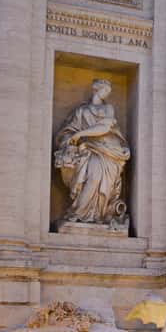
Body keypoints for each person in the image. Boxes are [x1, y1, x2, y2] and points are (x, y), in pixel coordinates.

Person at [53, 79, 130, 225]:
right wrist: (72, 138)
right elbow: (68, 131)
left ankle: (98, 216)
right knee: (92, 178)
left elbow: (105, 128)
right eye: (105, 90)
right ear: (96, 90)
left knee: (102, 182)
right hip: (87, 150)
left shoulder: (108, 109)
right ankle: (79, 212)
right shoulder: (81, 111)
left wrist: (80, 135)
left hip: (108, 151)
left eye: (108, 92)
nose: (107, 94)